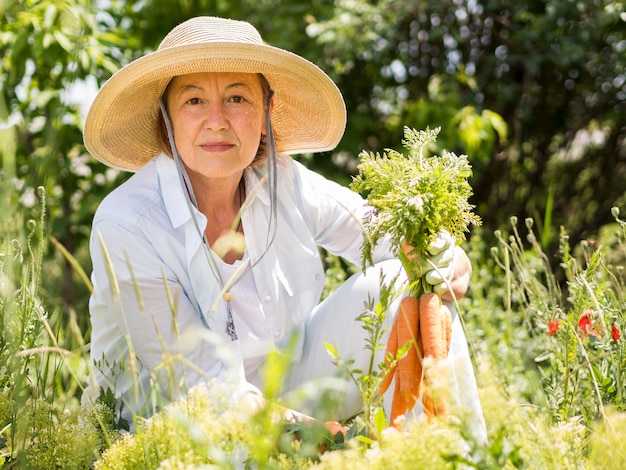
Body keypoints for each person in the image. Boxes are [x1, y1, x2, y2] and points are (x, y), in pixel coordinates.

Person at [82, 16, 485, 439]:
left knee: (406, 278)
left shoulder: (282, 179)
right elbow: (198, 387)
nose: (217, 120)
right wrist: (326, 440)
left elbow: (381, 230)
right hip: (174, 428)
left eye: (237, 98)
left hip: (290, 391)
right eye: (194, 101)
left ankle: (453, 455)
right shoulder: (127, 224)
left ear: (265, 111)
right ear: (166, 116)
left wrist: (445, 257)